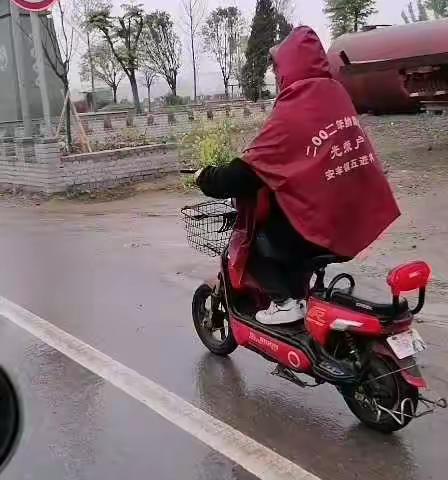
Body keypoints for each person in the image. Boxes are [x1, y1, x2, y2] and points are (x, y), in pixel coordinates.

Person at [195, 26, 400, 326]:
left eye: (278, 68)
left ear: (289, 67)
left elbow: (243, 174)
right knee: (285, 229)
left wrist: (206, 176)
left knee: (255, 243)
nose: (277, 76)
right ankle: (302, 298)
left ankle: (285, 303)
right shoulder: (335, 93)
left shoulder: (297, 106)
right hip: (355, 219)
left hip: (324, 229)